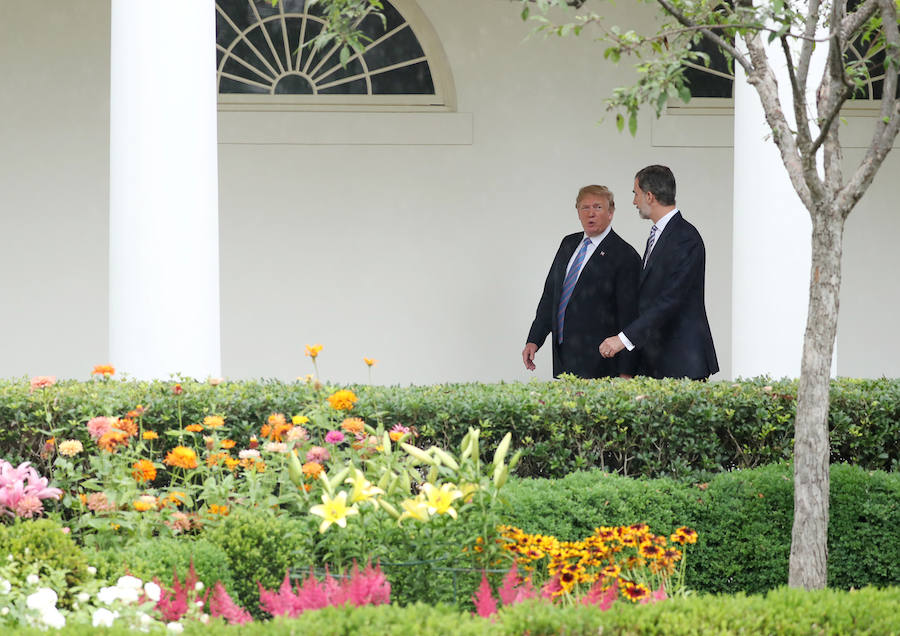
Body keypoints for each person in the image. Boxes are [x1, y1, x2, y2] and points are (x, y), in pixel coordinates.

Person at [598, 165, 718, 380]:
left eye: (636, 194)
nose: (634, 201)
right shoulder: (662, 234)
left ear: (650, 196)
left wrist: (623, 339)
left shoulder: (685, 237)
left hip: (682, 361)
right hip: (659, 360)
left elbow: (670, 300)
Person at [523, 185, 640, 378]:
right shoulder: (568, 244)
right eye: (585, 208)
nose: (591, 213)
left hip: (602, 364)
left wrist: (626, 372)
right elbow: (551, 296)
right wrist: (534, 340)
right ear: (577, 212)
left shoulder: (624, 255)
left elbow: (630, 317)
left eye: (598, 207)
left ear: (611, 212)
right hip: (565, 358)